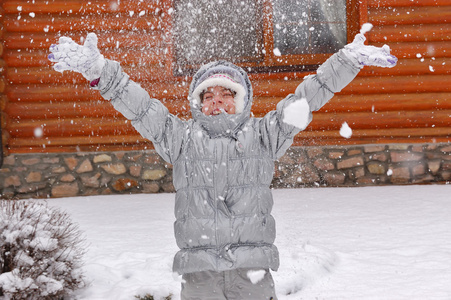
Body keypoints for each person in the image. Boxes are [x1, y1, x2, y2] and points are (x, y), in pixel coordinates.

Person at [48, 25, 396, 299]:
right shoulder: (180, 137)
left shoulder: (265, 135)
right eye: (208, 95)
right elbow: (139, 105)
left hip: (253, 274)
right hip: (199, 276)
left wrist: (347, 60)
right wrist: (99, 70)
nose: (218, 102)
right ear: (198, 102)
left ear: (241, 99)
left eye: (227, 94)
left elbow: (311, 93)